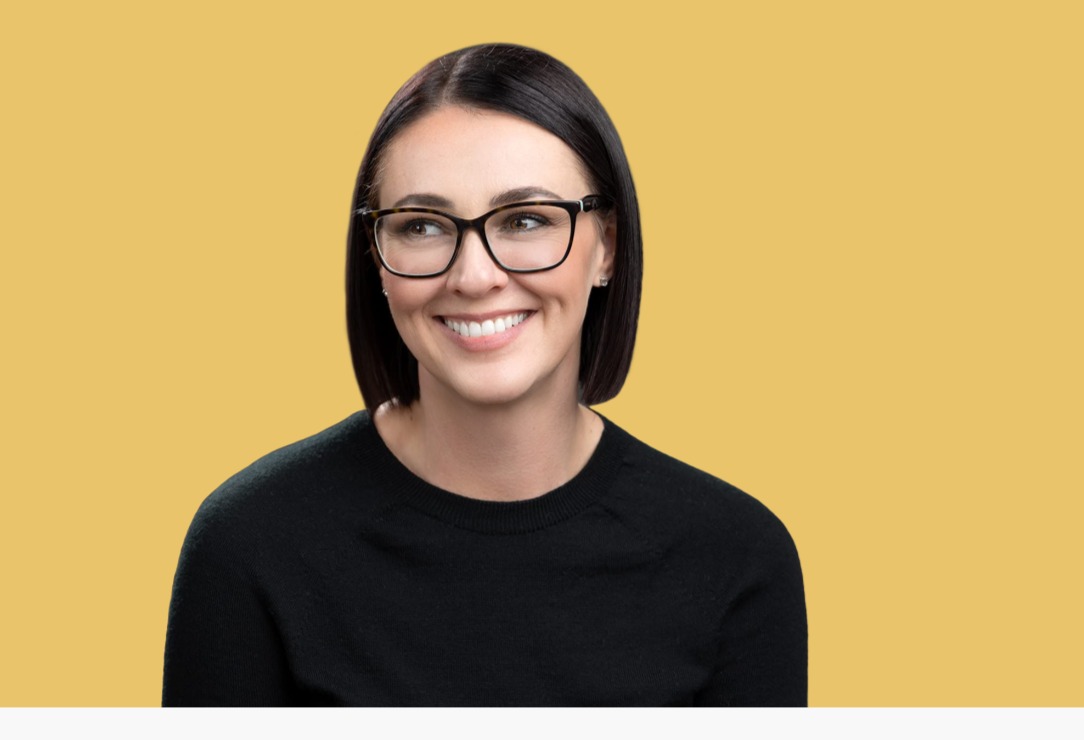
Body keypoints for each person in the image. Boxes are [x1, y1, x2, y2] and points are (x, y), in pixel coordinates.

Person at [162, 43, 807, 707]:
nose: (473, 277)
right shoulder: (250, 545)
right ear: (377, 260)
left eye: (526, 219)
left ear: (607, 246)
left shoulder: (735, 556)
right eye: (422, 226)